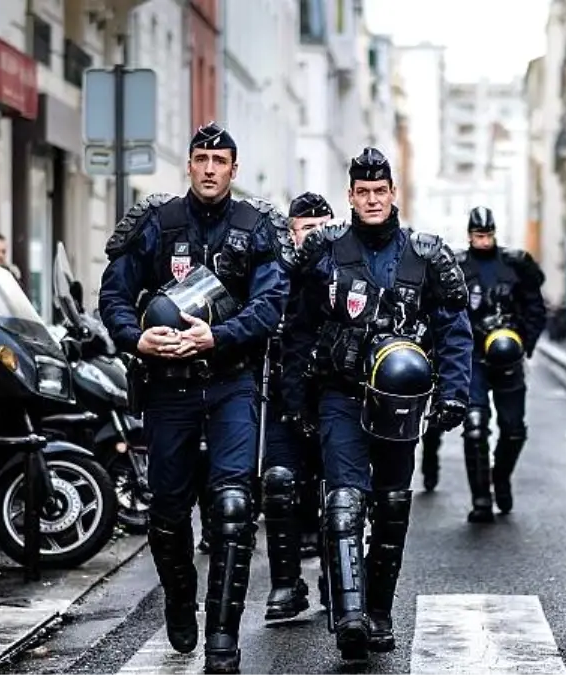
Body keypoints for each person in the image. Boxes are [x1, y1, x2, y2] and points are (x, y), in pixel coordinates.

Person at [97, 122, 289, 672]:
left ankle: (223, 644)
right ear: (188, 165)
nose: (210, 168)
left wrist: (218, 335)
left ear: (234, 168)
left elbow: (271, 304)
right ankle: (180, 603)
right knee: (167, 512)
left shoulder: (256, 228)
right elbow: (113, 293)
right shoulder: (159, 224)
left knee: (232, 508)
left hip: (231, 384)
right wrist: (136, 337)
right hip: (168, 389)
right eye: (201, 158)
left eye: (220, 160)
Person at [282, 147, 472, 660]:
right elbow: (299, 328)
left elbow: (455, 327)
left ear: (393, 195)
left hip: (400, 405)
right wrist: (296, 398)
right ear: (350, 196)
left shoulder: (425, 254)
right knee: (344, 502)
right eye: (362, 193)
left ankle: (380, 612)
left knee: (390, 509)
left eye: (379, 192)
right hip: (339, 394)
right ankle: (349, 616)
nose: (371, 200)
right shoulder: (323, 250)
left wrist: (455, 393)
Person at [419, 206, 547, 521]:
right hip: (472, 356)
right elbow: (440, 310)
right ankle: (480, 499)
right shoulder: (457, 267)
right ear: (469, 235)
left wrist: (524, 344)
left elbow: (534, 307)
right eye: (478, 235)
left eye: (488, 235)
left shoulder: (514, 265)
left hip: (507, 356)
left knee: (514, 430)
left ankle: (499, 478)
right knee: (474, 427)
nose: (483, 240)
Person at [260, 191, 332, 622]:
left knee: (340, 494)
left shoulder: (345, 269)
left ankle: (335, 578)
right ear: (292, 232)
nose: (314, 236)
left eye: (322, 227)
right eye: (306, 229)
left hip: (335, 399)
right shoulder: (275, 275)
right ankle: (286, 584)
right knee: (280, 483)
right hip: (285, 398)